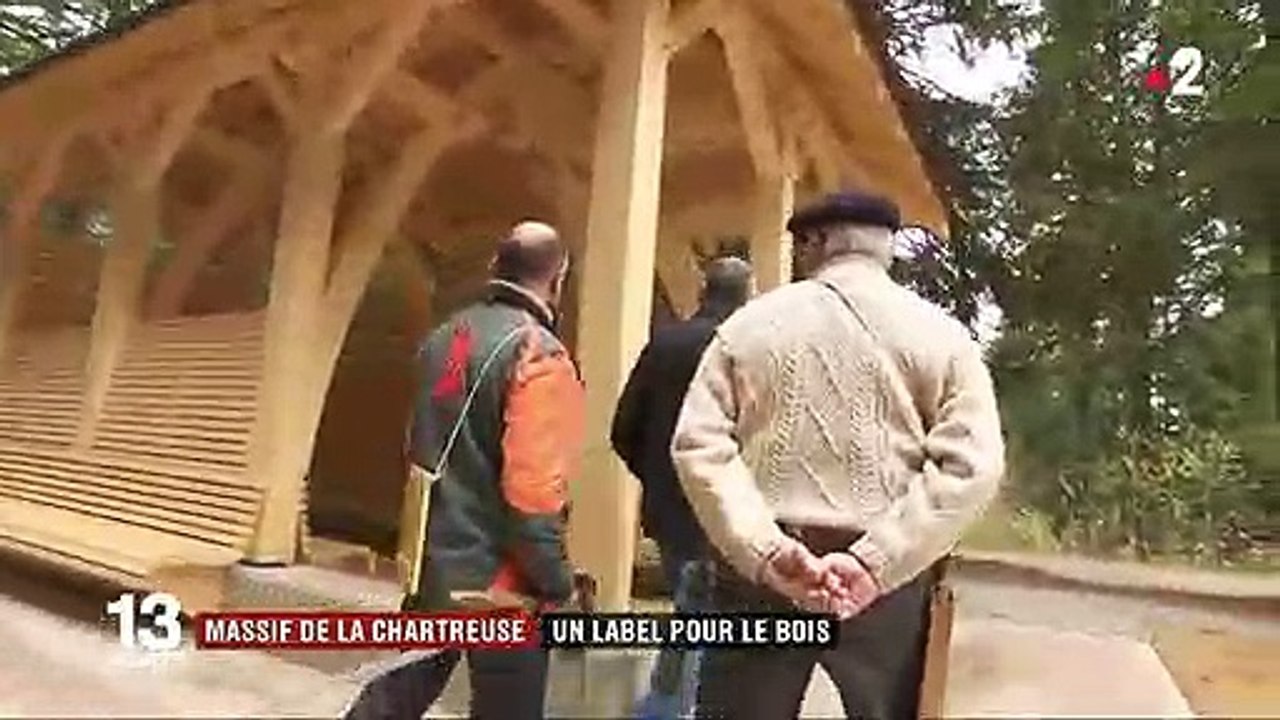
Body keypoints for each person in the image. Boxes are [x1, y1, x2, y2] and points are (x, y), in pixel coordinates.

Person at [671, 192, 1005, 720]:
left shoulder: (745, 329)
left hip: (767, 576)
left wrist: (765, 550)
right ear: (885, 249)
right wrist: (875, 561)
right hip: (888, 585)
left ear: (813, 243)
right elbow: (971, 465)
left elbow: (698, 447)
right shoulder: (943, 337)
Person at [342, 221, 584, 720]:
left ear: (495, 266)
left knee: (393, 698)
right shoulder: (537, 353)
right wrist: (558, 583)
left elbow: (423, 444)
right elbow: (533, 492)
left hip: (435, 560)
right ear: (558, 279)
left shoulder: (443, 338)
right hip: (501, 583)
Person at [611, 257, 754, 719]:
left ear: (702, 292)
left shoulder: (665, 344)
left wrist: (658, 478)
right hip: (730, 510)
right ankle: (667, 708)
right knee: (705, 623)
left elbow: (623, 428)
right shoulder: (749, 350)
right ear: (746, 297)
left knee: (692, 612)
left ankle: (669, 705)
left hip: (672, 509)